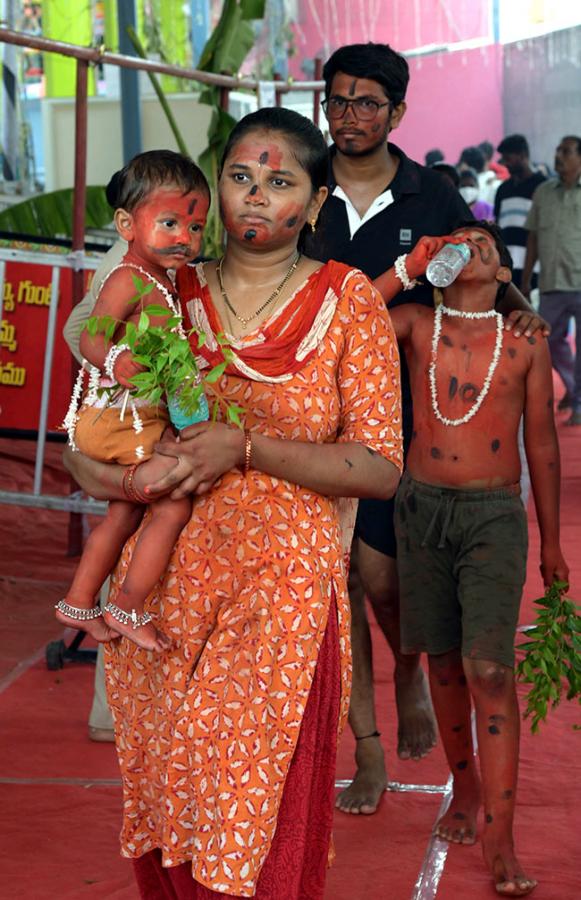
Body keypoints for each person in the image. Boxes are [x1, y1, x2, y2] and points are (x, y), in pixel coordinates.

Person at [63, 107, 403, 899]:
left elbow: (380, 467)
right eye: (240, 178)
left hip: (279, 603)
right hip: (161, 600)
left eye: (280, 182)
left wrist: (242, 448)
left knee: (250, 818)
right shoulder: (157, 286)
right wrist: (129, 482)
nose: (255, 197)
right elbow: (83, 445)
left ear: (315, 203)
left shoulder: (347, 301)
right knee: (171, 806)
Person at [303, 40, 548, 817]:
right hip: (308, 423)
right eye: (336, 100)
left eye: (366, 103)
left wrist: (522, 316)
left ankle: (407, 671)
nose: (348, 116)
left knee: (382, 585)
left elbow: (483, 269)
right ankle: (366, 754)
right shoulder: (302, 190)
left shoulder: (431, 196)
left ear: (396, 113)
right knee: (333, 592)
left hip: (401, 429)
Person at [376, 221, 568, 897]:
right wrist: (410, 264)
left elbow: (541, 447)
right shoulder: (413, 325)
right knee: (443, 659)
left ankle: (499, 835)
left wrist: (550, 541)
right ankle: (463, 784)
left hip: (492, 516)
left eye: (484, 245)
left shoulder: (522, 344)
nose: (470, 246)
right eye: (459, 241)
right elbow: (351, 321)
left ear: (502, 272)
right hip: (419, 508)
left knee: (489, 666)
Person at [57, 150, 211, 651]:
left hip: (128, 418)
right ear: (126, 224)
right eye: (169, 223)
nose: (184, 239)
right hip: (115, 422)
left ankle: (80, 601)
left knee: (122, 517)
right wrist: (116, 359)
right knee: (172, 504)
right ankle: (128, 603)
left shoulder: (160, 279)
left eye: (195, 228)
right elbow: (91, 339)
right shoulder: (127, 278)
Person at [522, 135, 581, 425]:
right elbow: (532, 238)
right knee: (548, 342)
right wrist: (524, 280)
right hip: (551, 282)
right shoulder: (543, 193)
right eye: (558, 150)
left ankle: (579, 405)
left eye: (566, 151)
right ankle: (573, 388)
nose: (559, 156)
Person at [495, 134, 546, 292]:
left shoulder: (542, 186)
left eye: (508, 158)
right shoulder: (503, 189)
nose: (505, 163)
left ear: (522, 155)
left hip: (534, 268)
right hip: (507, 268)